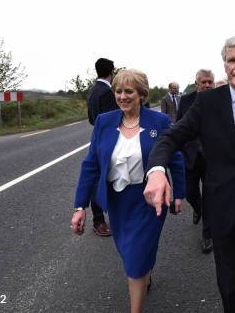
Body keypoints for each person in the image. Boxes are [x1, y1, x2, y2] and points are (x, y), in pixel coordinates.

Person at [144, 35, 235, 313]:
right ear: (224, 65)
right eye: (231, 60)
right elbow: (171, 137)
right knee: (229, 282)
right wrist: (157, 170)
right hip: (222, 205)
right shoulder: (208, 102)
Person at [71, 69, 185, 313]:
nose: (122, 96)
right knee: (130, 253)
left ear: (141, 94)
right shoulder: (104, 122)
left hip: (149, 200)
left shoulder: (160, 122)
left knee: (134, 261)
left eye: (128, 91)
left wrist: (180, 194)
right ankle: (145, 271)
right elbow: (91, 165)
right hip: (117, 202)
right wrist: (80, 207)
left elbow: (175, 159)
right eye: (118, 91)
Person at [176, 69, 215, 253]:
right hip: (190, 156)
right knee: (190, 192)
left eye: (210, 82)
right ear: (196, 83)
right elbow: (179, 126)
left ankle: (208, 235)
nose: (207, 85)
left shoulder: (221, 100)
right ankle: (197, 208)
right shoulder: (186, 101)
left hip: (213, 158)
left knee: (210, 197)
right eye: (204, 82)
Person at [86, 57, 118, 236]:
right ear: (112, 72)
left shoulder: (92, 90)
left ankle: (101, 218)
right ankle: (98, 220)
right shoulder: (107, 92)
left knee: (99, 178)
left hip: (97, 138)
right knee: (99, 180)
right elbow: (112, 118)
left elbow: (91, 119)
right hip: (108, 140)